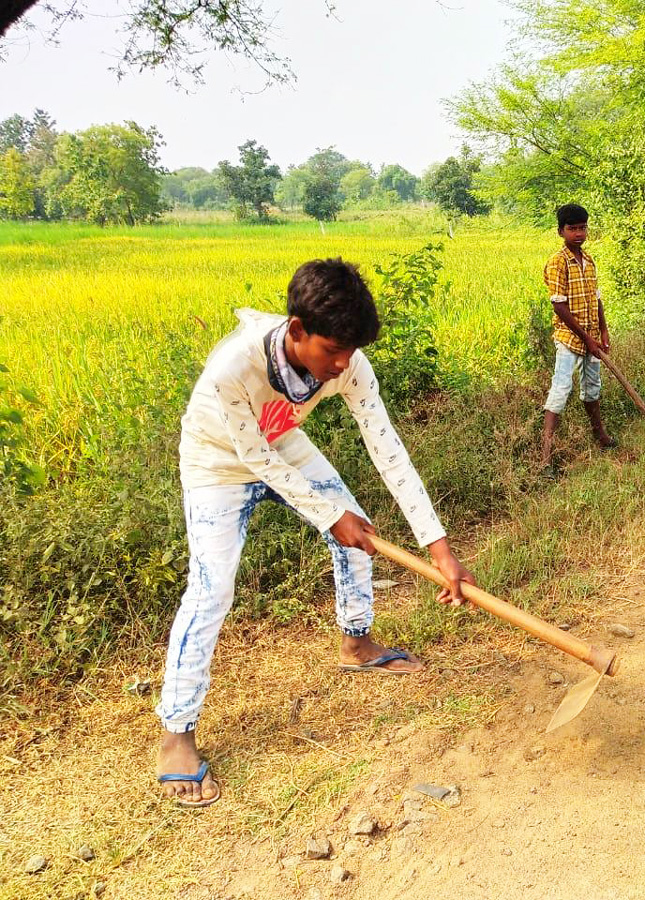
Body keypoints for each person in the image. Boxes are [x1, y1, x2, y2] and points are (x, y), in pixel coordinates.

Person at [156, 258, 476, 807]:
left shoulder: (348, 362)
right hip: (218, 462)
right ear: (298, 331)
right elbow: (250, 455)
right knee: (212, 588)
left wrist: (439, 548)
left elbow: (388, 450)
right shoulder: (233, 368)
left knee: (360, 534)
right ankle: (176, 734)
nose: (343, 364)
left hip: (283, 446)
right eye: (332, 351)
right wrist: (329, 514)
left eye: (350, 352)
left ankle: (356, 644)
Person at [540, 203, 615, 477]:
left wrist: (602, 332)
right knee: (560, 391)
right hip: (568, 339)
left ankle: (601, 437)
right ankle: (545, 459)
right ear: (561, 231)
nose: (578, 233)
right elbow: (559, 306)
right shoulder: (557, 262)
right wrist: (586, 338)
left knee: (592, 388)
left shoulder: (589, 260)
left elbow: (596, 298)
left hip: (592, 337)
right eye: (572, 229)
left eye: (582, 228)